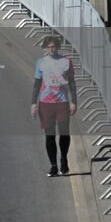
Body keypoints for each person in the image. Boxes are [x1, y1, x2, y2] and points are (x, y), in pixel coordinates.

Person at [33, 35, 78, 177]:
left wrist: (74, 101)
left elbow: (72, 83)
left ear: (58, 47)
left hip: (62, 102)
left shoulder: (66, 62)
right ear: (45, 48)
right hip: (46, 104)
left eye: (54, 46)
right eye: (49, 47)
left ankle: (64, 160)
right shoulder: (41, 62)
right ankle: (53, 166)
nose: (51, 49)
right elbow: (36, 84)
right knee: (50, 136)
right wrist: (33, 103)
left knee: (64, 134)